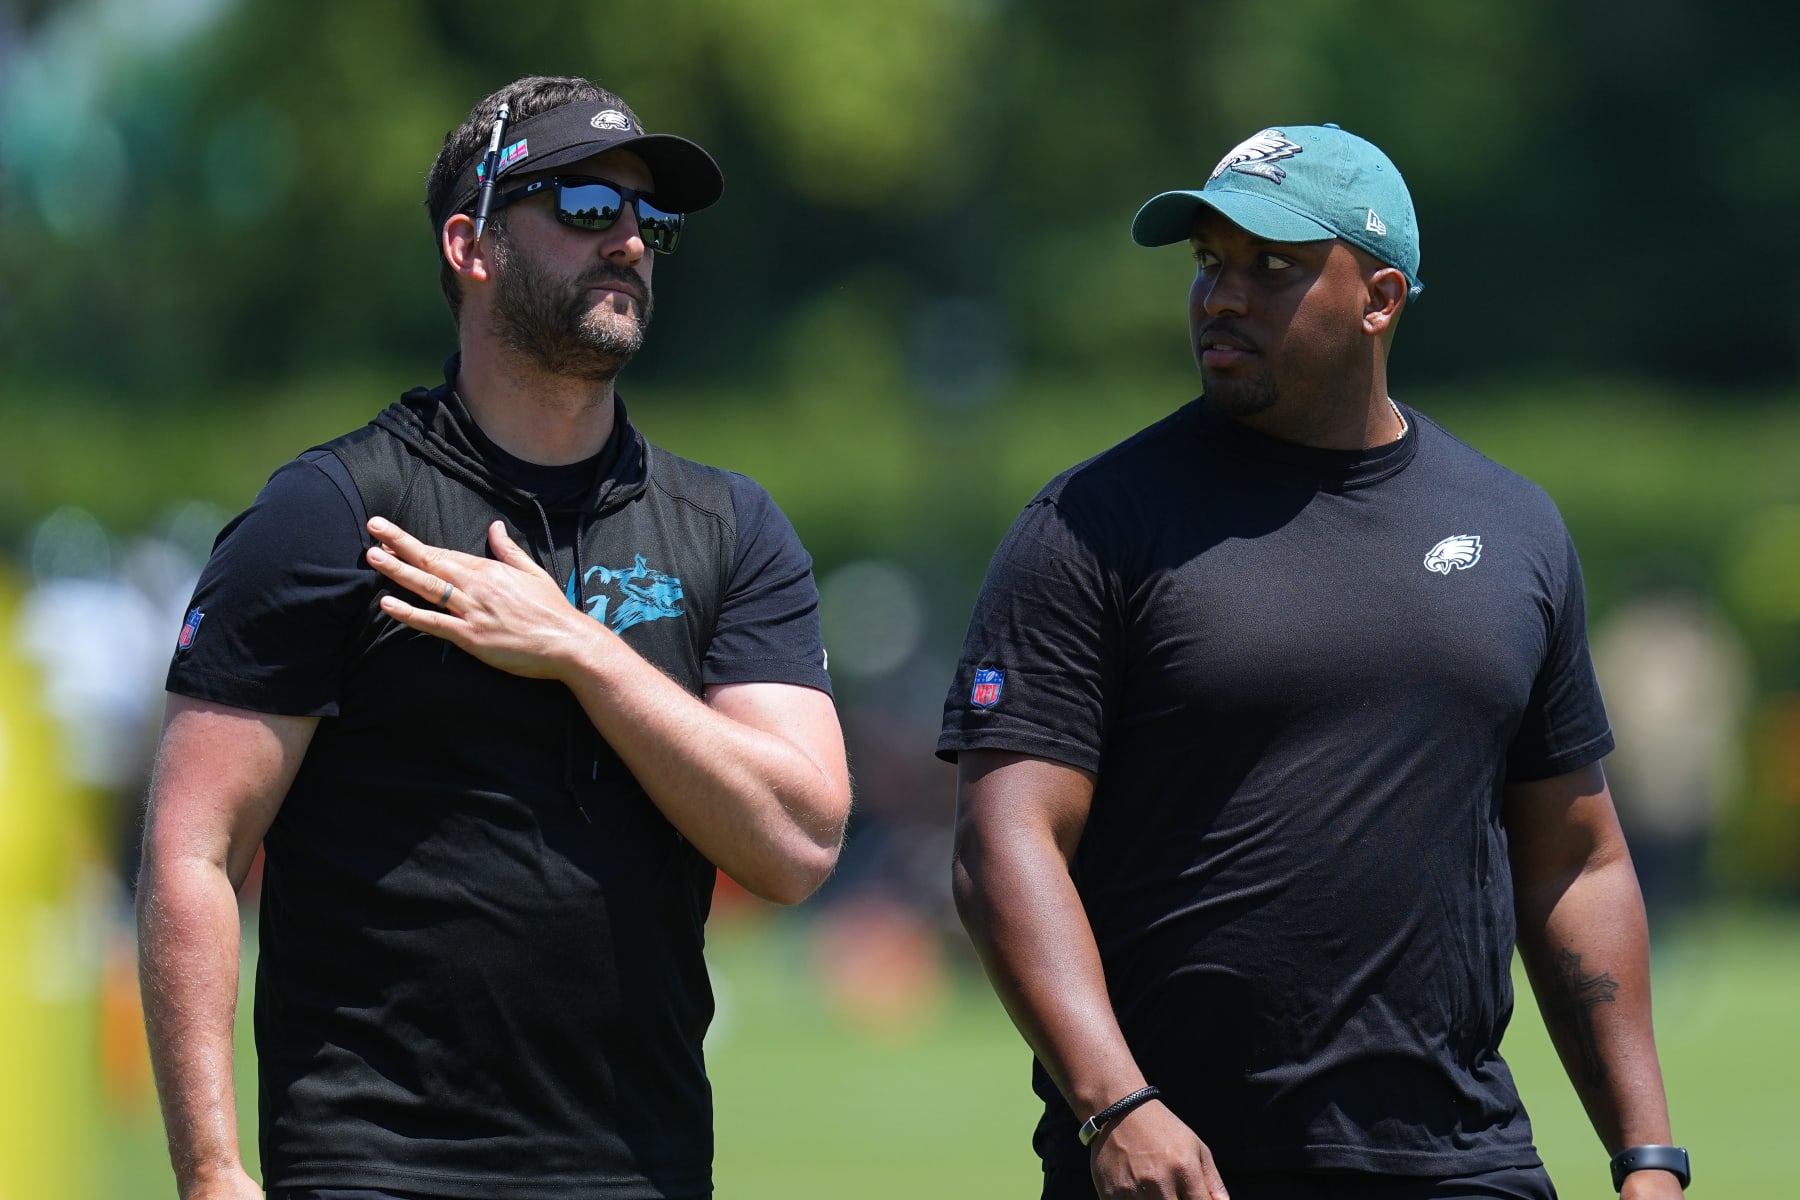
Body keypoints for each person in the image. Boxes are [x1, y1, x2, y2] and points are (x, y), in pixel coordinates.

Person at [939, 124, 1687, 1200]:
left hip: (1464, 1166)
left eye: (1272, 266)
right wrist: (1117, 1105)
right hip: (1175, 1169)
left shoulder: (1516, 528)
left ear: (1380, 298)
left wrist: (1648, 1156)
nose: (1220, 296)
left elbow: (1575, 860)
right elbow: (1002, 842)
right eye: (1209, 263)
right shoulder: (1091, 525)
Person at [137, 75, 851, 1200]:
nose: (628, 240)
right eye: (583, 207)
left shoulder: (729, 526)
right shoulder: (330, 516)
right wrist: (212, 1170)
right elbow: (192, 853)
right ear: (470, 244)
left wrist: (582, 650)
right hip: (375, 1164)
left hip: (644, 1169)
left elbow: (797, 844)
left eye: (649, 219)